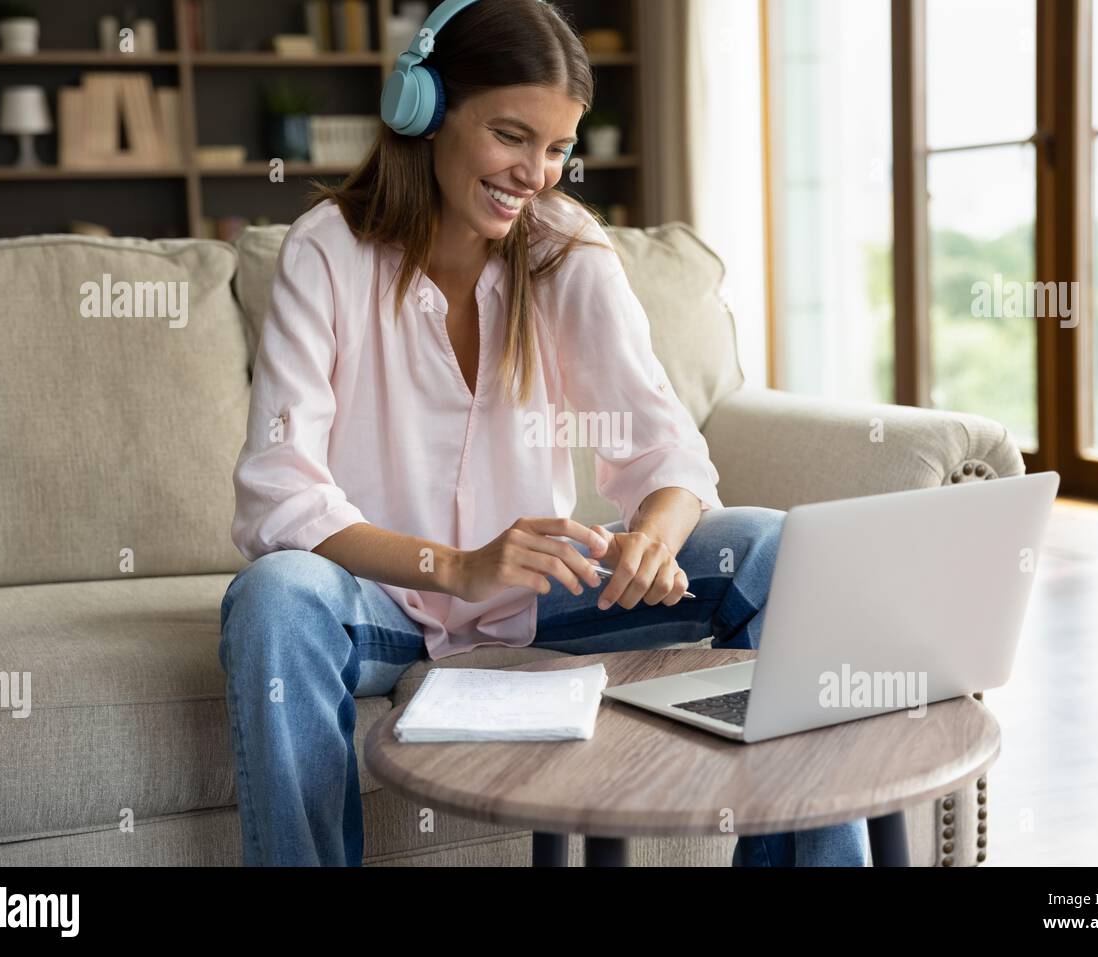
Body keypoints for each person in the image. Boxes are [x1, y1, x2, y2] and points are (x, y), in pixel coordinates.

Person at [218, 0, 869, 867]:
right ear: (426, 108)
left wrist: (652, 536)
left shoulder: (567, 248)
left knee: (774, 547)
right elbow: (281, 491)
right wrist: (453, 565)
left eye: (558, 148)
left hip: (543, 595)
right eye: (512, 135)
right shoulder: (326, 252)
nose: (537, 173)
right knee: (274, 596)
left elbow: (666, 450)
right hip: (383, 605)